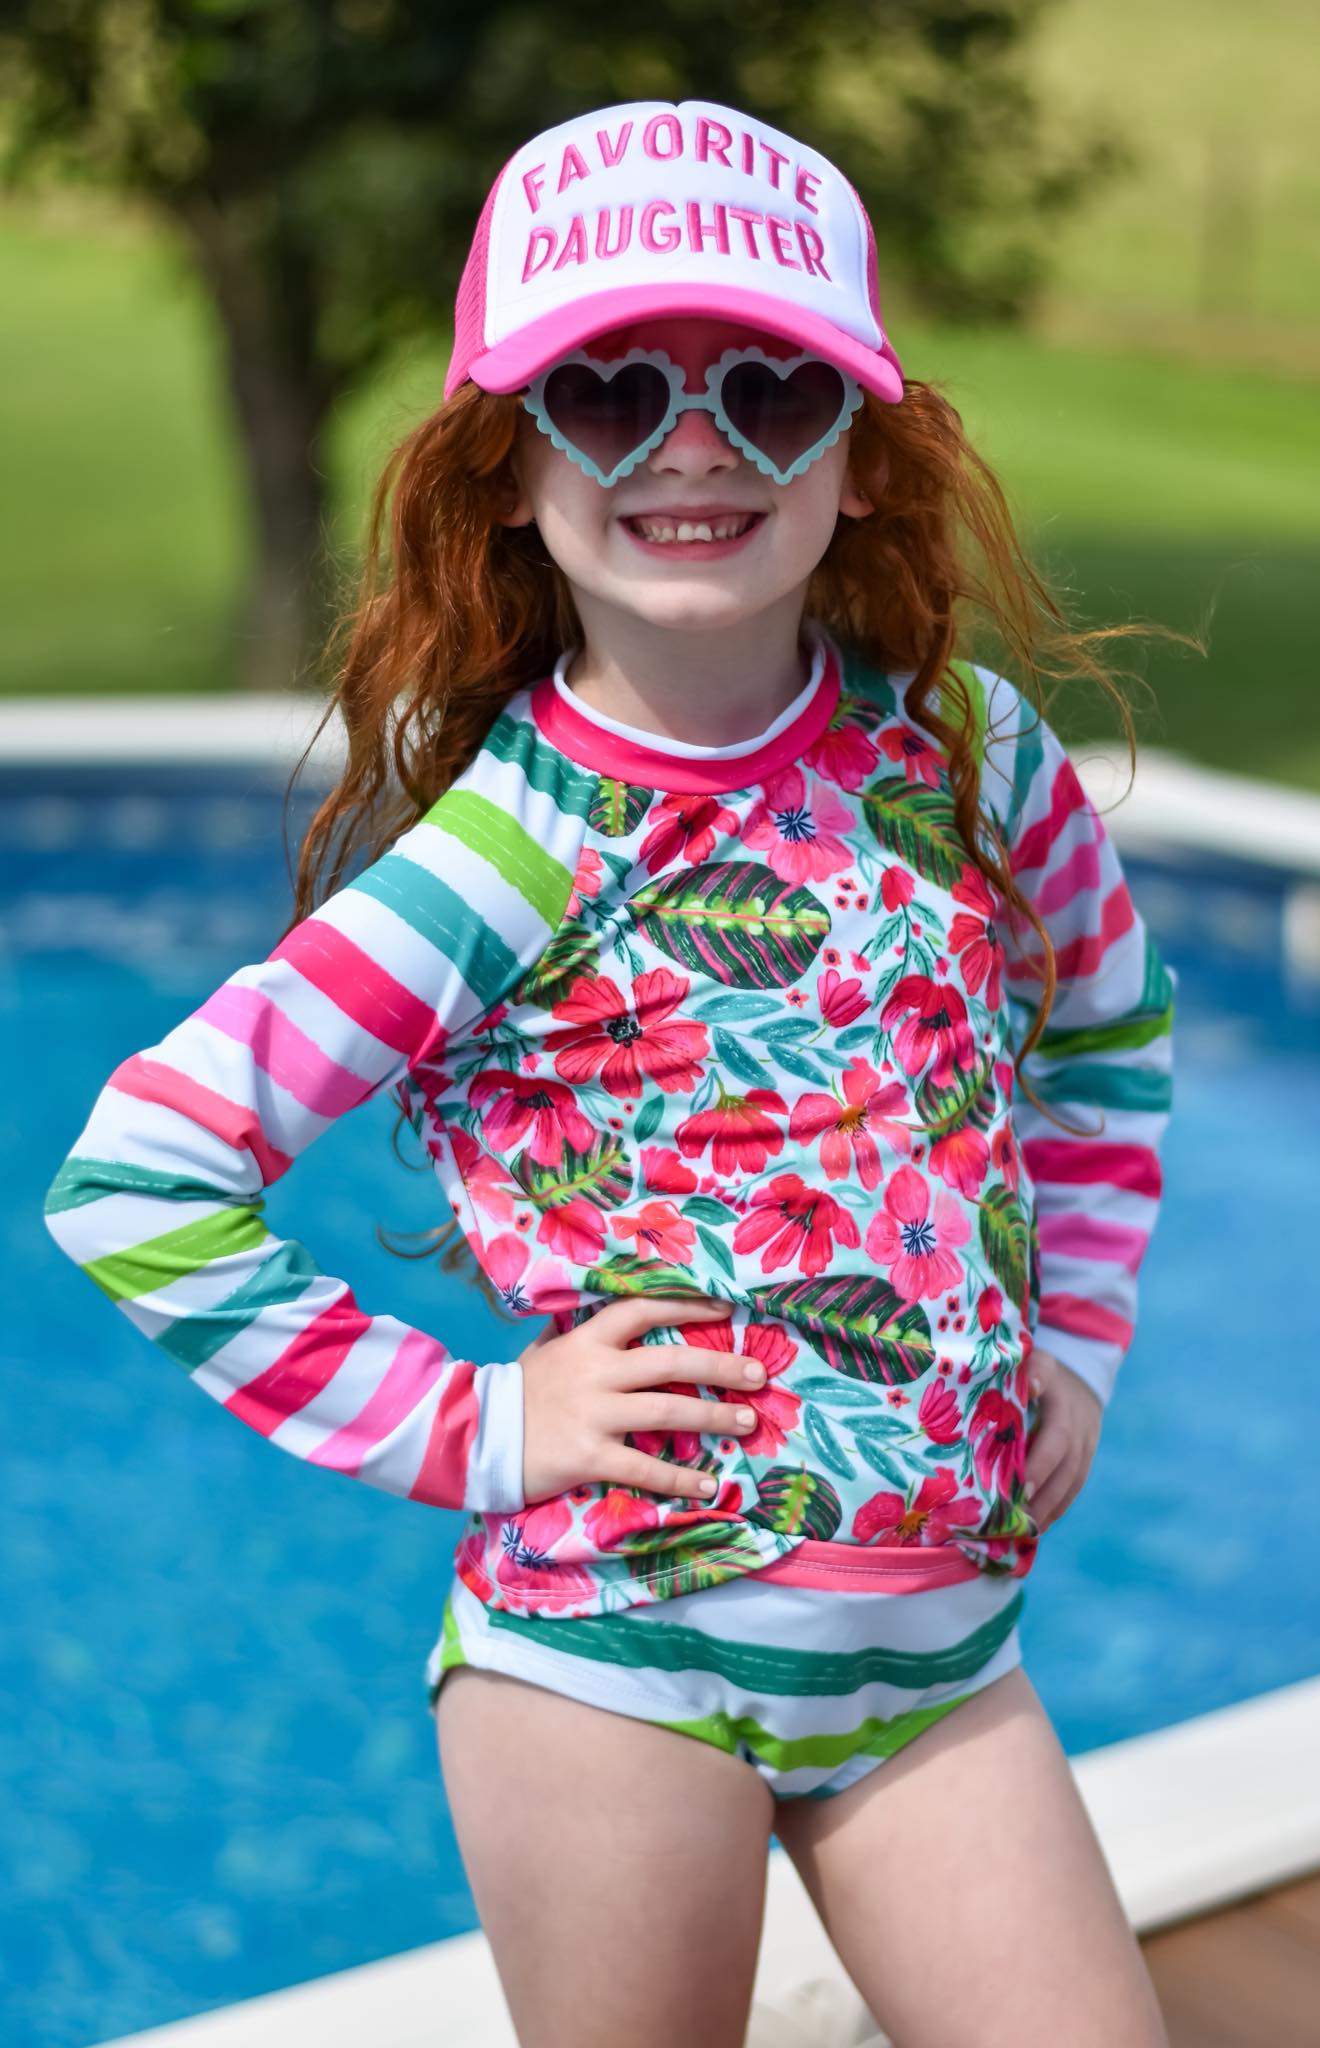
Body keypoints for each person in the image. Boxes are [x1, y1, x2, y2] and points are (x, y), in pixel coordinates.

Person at [43, 96, 1182, 2048]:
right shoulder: (506, 857)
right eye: (607, 390)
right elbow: (137, 1176)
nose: (691, 445)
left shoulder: (968, 759)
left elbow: (1105, 1036)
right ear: (505, 464)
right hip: (610, 1672)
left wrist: (1071, 1329)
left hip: (940, 1665)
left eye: (767, 388)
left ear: (862, 452)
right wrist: (479, 1428)